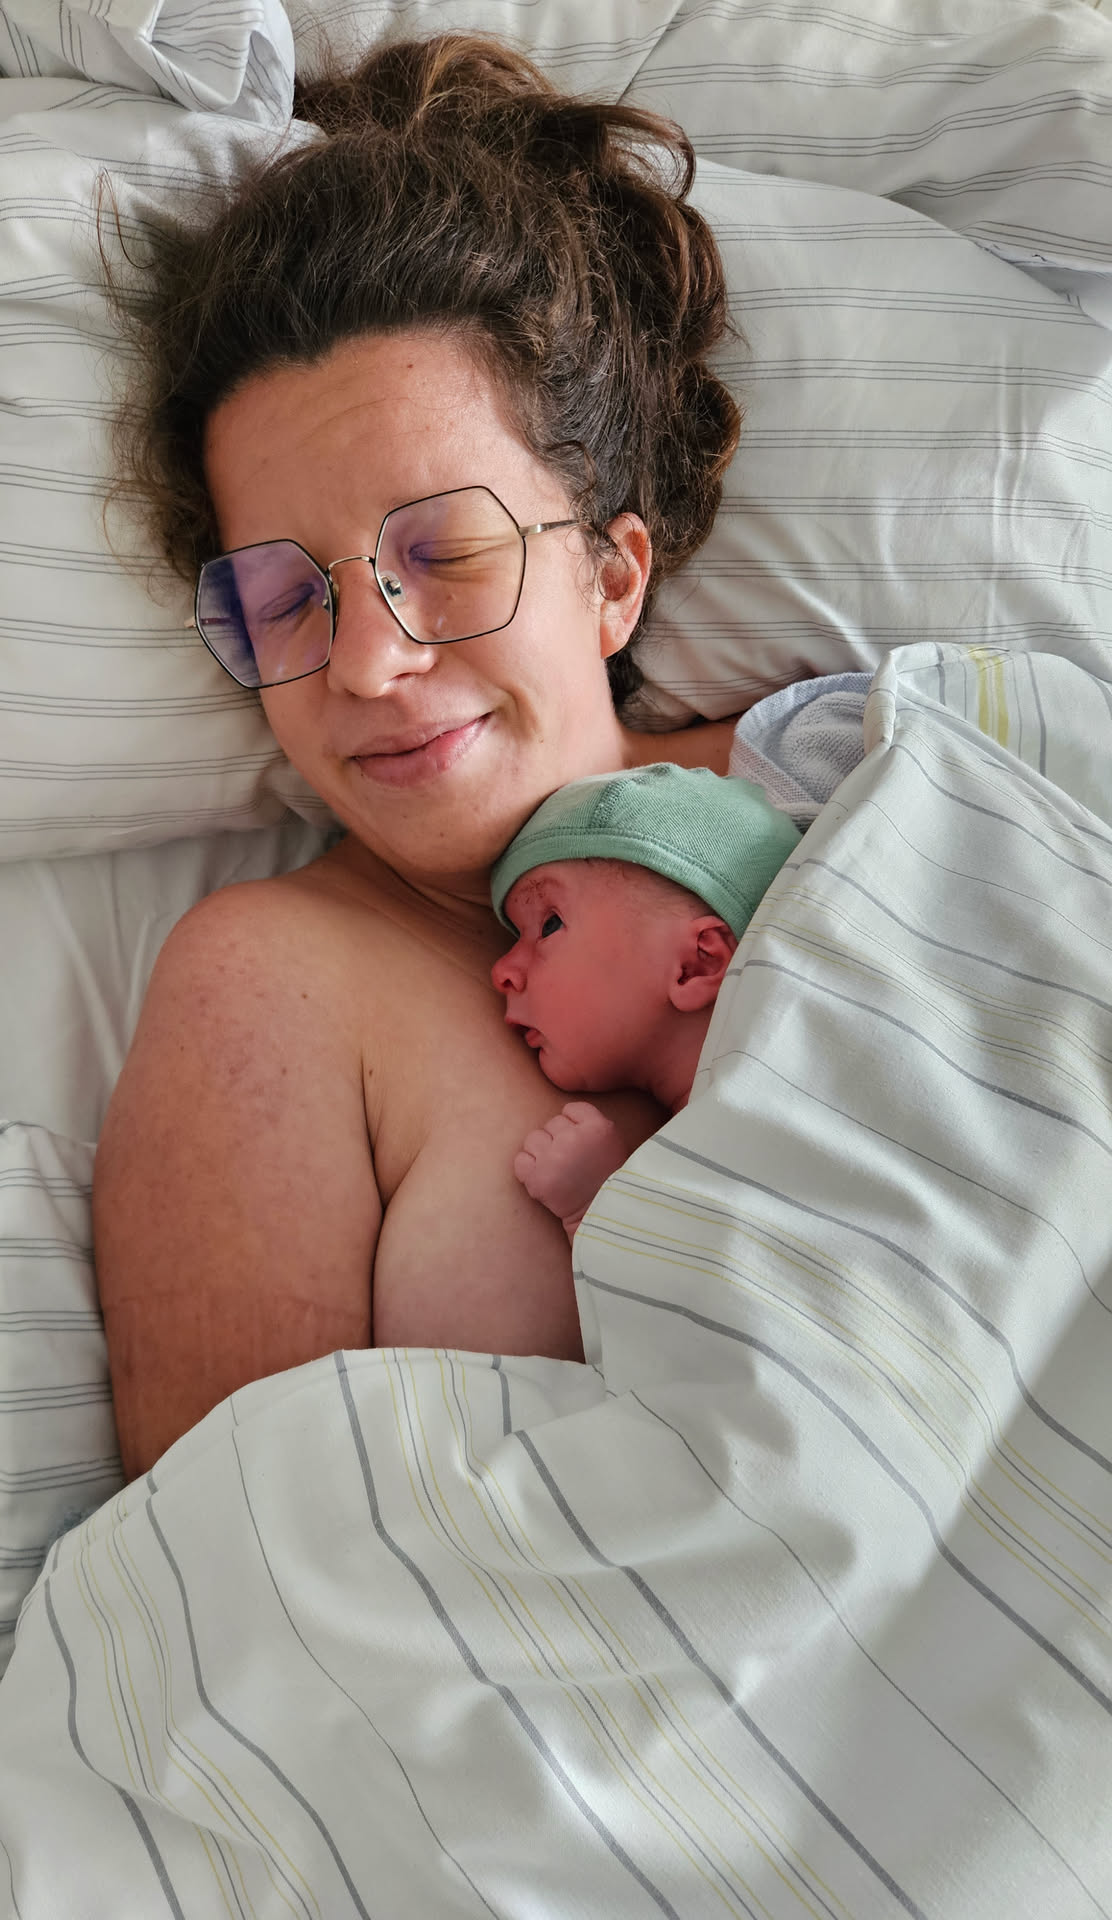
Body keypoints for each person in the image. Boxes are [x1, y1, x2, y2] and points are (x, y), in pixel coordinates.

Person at [94, 33, 746, 1477]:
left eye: (444, 554)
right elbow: (229, 1558)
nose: (367, 663)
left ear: (613, 576)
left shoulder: (854, 791)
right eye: (286, 599)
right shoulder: (277, 987)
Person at [487, 764, 802, 1240]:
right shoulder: (703, 1129)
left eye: (549, 925)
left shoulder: (779, 1103)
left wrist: (594, 1206)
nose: (500, 970)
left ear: (696, 964)